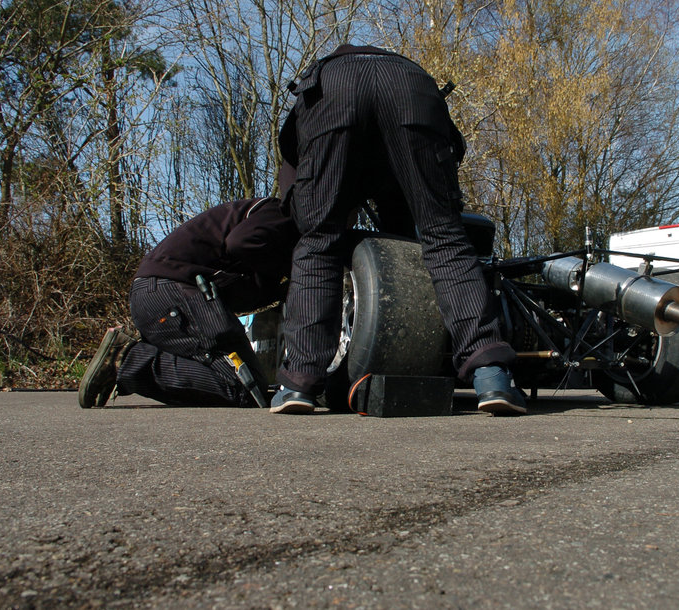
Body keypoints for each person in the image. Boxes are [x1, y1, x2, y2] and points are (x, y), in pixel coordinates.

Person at [272, 44, 524, 416]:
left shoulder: (319, 101)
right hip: (411, 86)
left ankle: (299, 383)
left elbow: (298, 189)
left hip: (333, 90)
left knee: (319, 242)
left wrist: (319, 219)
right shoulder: (404, 80)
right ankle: (491, 375)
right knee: (445, 237)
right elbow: (451, 151)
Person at [78, 197, 299, 408]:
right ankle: (127, 359)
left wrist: (280, 289)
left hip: (152, 295)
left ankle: (132, 363)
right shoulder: (280, 212)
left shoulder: (251, 226)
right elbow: (240, 243)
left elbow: (242, 290)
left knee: (252, 386)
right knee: (246, 387)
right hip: (173, 292)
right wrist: (295, 274)